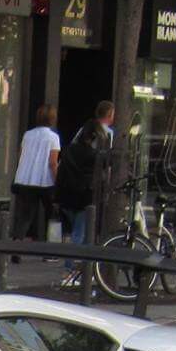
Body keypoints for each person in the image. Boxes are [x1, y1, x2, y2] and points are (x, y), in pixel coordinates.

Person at [54, 110, 107, 287]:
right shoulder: (94, 156)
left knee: (71, 235)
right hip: (84, 197)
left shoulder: (69, 150)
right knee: (79, 235)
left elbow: (61, 172)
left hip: (67, 196)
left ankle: (72, 271)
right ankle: (71, 272)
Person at [13, 104, 60, 244]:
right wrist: (58, 180)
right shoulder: (53, 137)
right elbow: (53, 162)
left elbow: (20, 155)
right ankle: (50, 249)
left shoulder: (28, 134)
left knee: (25, 216)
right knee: (52, 216)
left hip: (26, 179)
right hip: (45, 181)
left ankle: (17, 244)